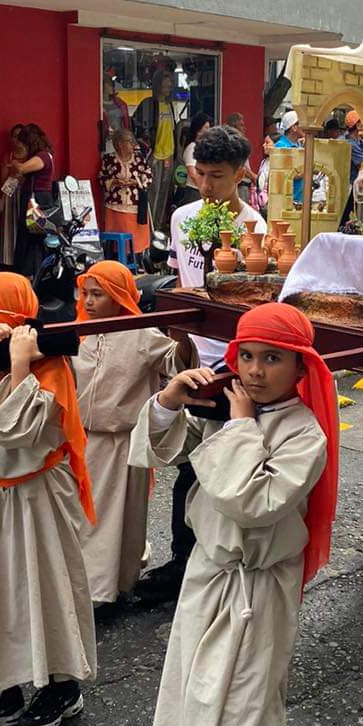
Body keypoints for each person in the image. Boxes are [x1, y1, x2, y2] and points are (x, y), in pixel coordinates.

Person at [130, 303, 337, 726]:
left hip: (259, 588)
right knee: (201, 704)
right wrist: (170, 400)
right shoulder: (226, 409)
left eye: (272, 358)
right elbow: (164, 450)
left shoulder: (305, 434)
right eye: (246, 355)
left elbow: (255, 502)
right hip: (209, 577)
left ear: (301, 367)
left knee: (246, 719)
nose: (254, 371)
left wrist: (241, 426)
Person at [0, 273, 97, 726]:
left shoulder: (50, 369)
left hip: (39, 498)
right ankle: (1, 690)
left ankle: (62, 686)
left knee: (47, 591)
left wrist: (20, 363)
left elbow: (17, 430)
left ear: (6, 318)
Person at [134, 126, 266, 607]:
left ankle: (219, 562)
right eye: (201, 175)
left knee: (222, 463)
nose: (207, 186)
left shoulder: (256, 229)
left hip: (235, 363)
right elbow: (178, 282)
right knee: (188, 462)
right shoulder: (183, 217)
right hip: (192, 356)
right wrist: (180, 344)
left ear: (241, 174)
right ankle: (181, 559)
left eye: (218, 176)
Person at [74, 262, 190, 608]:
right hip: (81, 441)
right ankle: (81, 583)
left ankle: (104, 590)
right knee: (82, 516)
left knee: (114, 519)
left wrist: (183, 334)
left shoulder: (143, 335)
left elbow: (177, 363)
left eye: (98, 294)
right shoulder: (79, 332)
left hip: (122, 443)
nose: (89, 301)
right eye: (85, 293)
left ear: (119, 296)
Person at [134, 68, 180, 236]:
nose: (168, 88)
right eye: (166, 85)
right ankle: (149, 230)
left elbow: (172, 131)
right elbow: (139, 129)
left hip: (168, 155)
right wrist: (148, 151)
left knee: (164, 194)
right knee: (153, 193)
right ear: (158, 85)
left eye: (170, 85)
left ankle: (159, 229)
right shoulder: (148, 104)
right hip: (154, 156)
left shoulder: (169, 106)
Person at [9, 123, 54, 281]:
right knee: (29, 236)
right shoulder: (42, 156)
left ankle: (30, 272)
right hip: (34, 198)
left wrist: (15, 163)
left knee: (32, 236)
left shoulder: (42, 156)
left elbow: (22, 168)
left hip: (36, 200)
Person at [99, 126, 152, 257]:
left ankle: (136, 259)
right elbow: (102, 178)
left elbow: (148, 175)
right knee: (116, 241)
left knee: (135, 241)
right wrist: (114, 182)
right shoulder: (109, 159)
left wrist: (136, 182)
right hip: (115, 206)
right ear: (119, 144)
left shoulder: (139, 159)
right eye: (129, 141)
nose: (132, 144)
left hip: (135, 205)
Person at [0, 123, 26, 268]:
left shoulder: (32, 156)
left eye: (21, 136)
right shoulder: (8, 157)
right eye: (15, 136)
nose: (18, 140)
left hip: (26, 195)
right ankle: (9, 260)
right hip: (10, 194)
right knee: (9, 227)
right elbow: (3, 180)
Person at [181, 112, 213, 187]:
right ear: (198, 129)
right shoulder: (192, 147)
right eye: (206, 128)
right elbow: (192, 172)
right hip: (192, 189)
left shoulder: (200, 147)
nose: (208, 131)